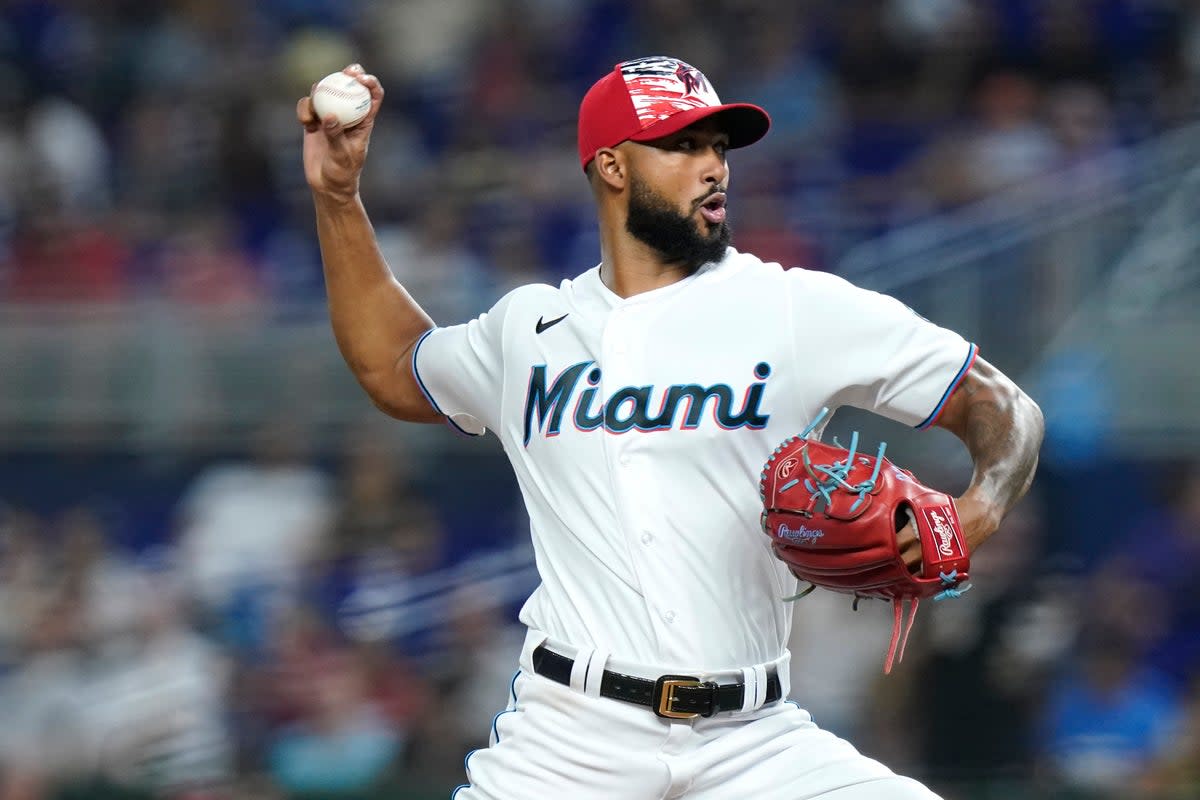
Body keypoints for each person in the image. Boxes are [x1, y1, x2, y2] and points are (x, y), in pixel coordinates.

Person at [297, 56, 1044, 800]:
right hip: (569, 743)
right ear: (613, 167)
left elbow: (1001, 406)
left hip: (753, 739)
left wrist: (978, 509)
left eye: (719, 147)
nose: (713, 167)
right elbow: (395, 363)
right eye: (683, 146)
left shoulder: (789, 307)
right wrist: (337, 198)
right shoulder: (528, 330)